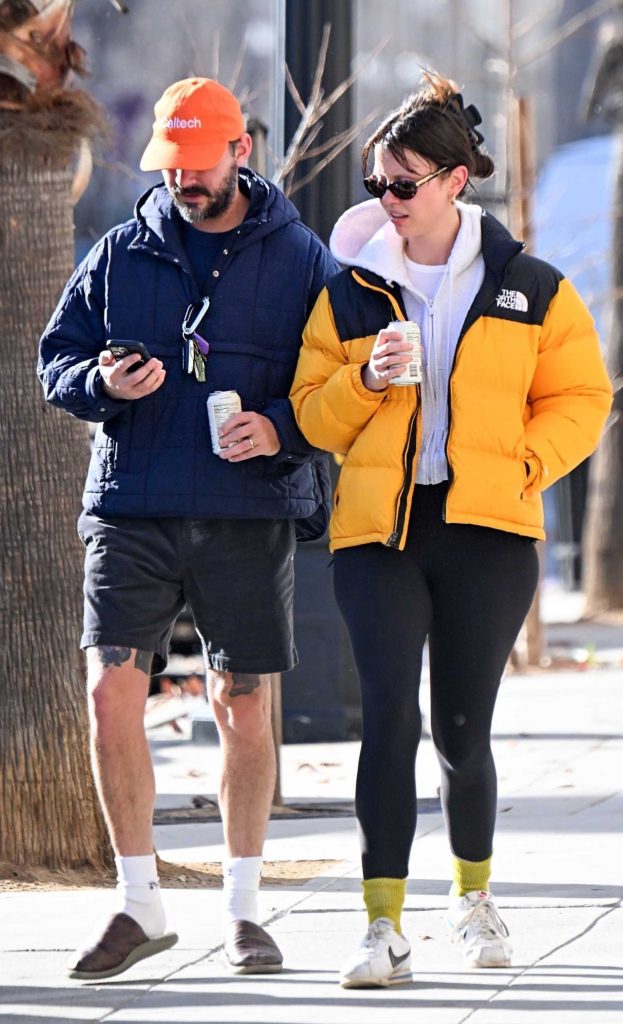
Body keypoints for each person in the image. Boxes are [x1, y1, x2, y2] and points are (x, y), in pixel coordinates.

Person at [290, 71, 612, 988]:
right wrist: (363, 384)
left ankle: (472, 898)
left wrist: (522, 466)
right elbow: (312, 415)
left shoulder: (528, 285)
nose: (385, 203)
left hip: (486, 531)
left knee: (461, 733)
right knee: (386, 719)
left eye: (402, 184)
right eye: (374, 186)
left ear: (453, 181)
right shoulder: (348, 291)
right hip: (378, 534)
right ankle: (379, 924)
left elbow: (581, 398)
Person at [37, 76, 338, 982]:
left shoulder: (300, 259)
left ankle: (245, 912)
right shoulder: (118, 253)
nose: (184, 181)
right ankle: (138, 905)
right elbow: (58, 361)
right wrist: (102, 383)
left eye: (200, 165)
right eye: (172, 165)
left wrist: (281, 426)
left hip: (247, 510)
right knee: (108, 694)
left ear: (240, 151)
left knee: (240, 705)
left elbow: (343, 381)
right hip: (131, 504)